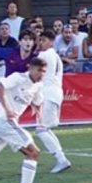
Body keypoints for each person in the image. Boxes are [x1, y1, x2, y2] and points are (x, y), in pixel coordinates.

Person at [31, 31, 71, 173]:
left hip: (47, 94)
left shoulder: (44, 55)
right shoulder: (56, 56)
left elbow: (33, 72)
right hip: (55, 93)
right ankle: (61, 159)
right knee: (44, 129)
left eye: (43, 40)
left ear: (51, 41)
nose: (40, 43)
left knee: (41, 130)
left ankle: (61, 160)